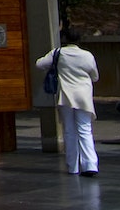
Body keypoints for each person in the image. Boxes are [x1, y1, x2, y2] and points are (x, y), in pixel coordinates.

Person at [36, 27, 100, 176]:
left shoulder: (58, 53)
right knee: (85, 129)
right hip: (83, 95)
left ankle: (73, 166)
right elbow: (95, 76)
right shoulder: (87, 55)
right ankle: (90, 164)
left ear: (64, 39)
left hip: (65, 95)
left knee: (69, 131)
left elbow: (39, 64)